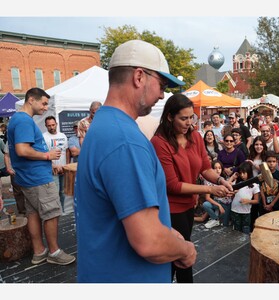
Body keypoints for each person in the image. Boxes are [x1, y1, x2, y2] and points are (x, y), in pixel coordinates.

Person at [75, 40, 197, 283]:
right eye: (161, 85)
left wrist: (169, 233)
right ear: (139, 77)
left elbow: (122, 212)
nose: (163, 95)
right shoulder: (125, 141)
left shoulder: (103, 125)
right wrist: (186, 250)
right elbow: (149, 242)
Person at [151, 93, 233, 283]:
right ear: (170, 117)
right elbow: (172, 185)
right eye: (184, 118)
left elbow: (205, 168)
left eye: (191, 117)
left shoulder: (195, 136)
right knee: (180, 258)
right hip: (170, 208)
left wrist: (221, 180)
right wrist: (210, 190)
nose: (189, 123)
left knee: (182, 254)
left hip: (188, 205)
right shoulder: (159, 142)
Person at [8, 87, 75, 266]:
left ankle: (39, 251)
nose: (46, 108)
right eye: (44, 103)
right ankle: (54, 252)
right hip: (37, 179)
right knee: (52, 213)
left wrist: (47, 162)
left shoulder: (17, 118)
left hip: (28, 177)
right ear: (31, 99)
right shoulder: (23, 120)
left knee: (33, 214)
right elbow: (22, 150)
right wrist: (47, 156)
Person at [43, 116, 69, 213]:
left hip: (63, 168)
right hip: (51, 169)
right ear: (46, 126)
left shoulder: (63, 136)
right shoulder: (44, 137)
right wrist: (53, 165)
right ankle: (55, 212)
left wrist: (66, 165)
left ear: (56, 124)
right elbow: (44, 154)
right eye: (49, 125)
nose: (51, 127)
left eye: (53, 125)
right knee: (54, 193)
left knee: (62, 192)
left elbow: (66, 151)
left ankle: (62, 210)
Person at [230, 161, 260, 234]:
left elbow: (257, 200)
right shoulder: (237, 183)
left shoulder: (254, 185)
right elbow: (229, 188)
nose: (242, 175)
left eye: (244, 173)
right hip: (235, 209)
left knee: (245, 228)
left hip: (246, 211)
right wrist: (232, 178)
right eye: (240, 173)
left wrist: (248, 201)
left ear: (249, 172)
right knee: (236, 229)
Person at [202, 160, 234, 228]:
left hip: (227, 203)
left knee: (225, 225)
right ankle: (215, 219)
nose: (218, 170)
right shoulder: (208, 181)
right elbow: (207, 198)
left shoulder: (225, 178)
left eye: (219, 168)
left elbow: (231, 191)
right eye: (215, 168)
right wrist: (219, 205)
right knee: (205, 204)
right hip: (217, 202)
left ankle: (218, 220)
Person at [4, 141, 27, 215]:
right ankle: (22, 212)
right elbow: (6, 155)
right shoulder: (10, 140)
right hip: (15, 171)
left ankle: (32, 213)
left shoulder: (27, 138)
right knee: (18, 193)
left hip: (28, 171)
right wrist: (8, 168)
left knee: (31, 191)